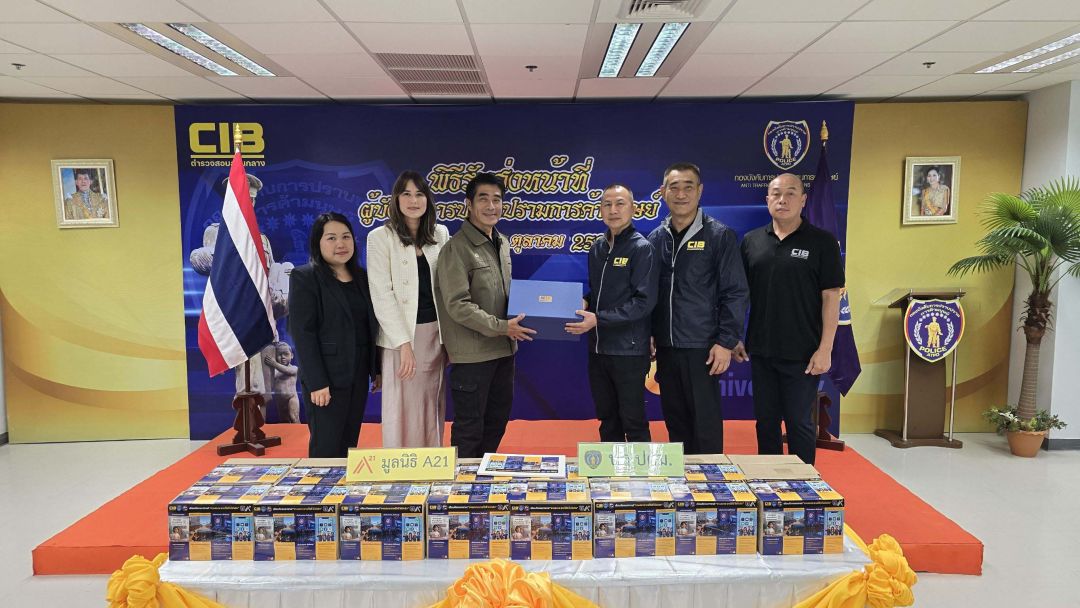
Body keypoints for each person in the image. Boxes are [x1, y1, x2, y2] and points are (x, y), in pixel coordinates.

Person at [735, 173, 844, 466]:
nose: (782, 200)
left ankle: (802, 485)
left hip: (803, 353)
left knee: (799, 422)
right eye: (776, 194)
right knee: (765, 422)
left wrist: (825, 349)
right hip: (761, 350)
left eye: (791, 193)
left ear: (803, 200)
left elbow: (831, 297)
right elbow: (739, 294)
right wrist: (735, 335)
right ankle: (768, 483)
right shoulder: (751, 241)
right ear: (767, 200)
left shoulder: (822, 242)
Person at [648, 163, 748, 454]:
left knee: (705, 426)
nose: (681, 194)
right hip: (667, 348)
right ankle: (682, 480)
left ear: (699, 191)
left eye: (688, 187)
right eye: (674, 187)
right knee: (676, 423)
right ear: (663, 192)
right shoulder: (656, 238)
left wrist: (725, 342)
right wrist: (650, 333)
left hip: (703, 348)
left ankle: (709, 482)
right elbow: (650, 294)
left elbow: (735, 292)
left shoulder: (719, 235)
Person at [434, 173, 535, 458]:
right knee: (469, 430)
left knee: (496, 423)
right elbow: (457, 304)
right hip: (473, 357)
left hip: (504, 352)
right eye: (483, 199)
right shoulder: (455, 248)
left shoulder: (502, 242)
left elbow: (506, 295)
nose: (491, 206)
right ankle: (463, 485)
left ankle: (482, 480)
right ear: (469, 204)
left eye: (497, 199)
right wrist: (502, 327)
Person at [566, 184, 658, 442]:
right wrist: (585, 302)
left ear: (633, 208)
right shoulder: (597, 248)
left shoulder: (642, 248)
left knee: (633, 420)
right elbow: (599, 292)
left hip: (628, 350)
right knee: (607, 419)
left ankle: (641, 469)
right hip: (598, 350)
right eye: (607, 204)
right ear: (600, 210)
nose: (613, 210)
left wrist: (598, 319)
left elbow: (643, 303)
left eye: (620, 204)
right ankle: (611, 469)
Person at [367, 171, 451, 448]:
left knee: (431, 401)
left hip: (435, 334)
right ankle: (399, 461)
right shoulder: (380, 237)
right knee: (400, 405)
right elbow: (382, 294)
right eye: (406, 194)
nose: (413, 200)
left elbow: (448, 287)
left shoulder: (440, 234)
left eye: (419, 194)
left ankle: (431, 459)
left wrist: (451, 339)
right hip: (398, 337)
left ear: (428, 199)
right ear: (396, 199)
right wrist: (403, 344)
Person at [288, 212, 381, 457]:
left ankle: (343, 483)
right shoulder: (305, 277)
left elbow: (370, 327)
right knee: (326, 447)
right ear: (318, 243)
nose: (340, 244)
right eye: (331, 238)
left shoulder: (362, 277)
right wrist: (317, 382)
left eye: (346, 237)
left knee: (349, 444)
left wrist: (376, 369)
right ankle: (320, 483)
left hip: (358, 376)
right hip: (326, 379)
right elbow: (303, 334)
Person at [264, 341, 300, 423]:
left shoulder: (294, 368)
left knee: (294, 417)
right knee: (284, 420)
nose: (283, 357)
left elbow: (287, 371)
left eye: (286, 354)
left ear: (292, 355)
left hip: (291, 397)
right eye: (279, 354)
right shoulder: (274, 371)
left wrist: (274, 363)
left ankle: (299, 430)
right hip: (279, 400)